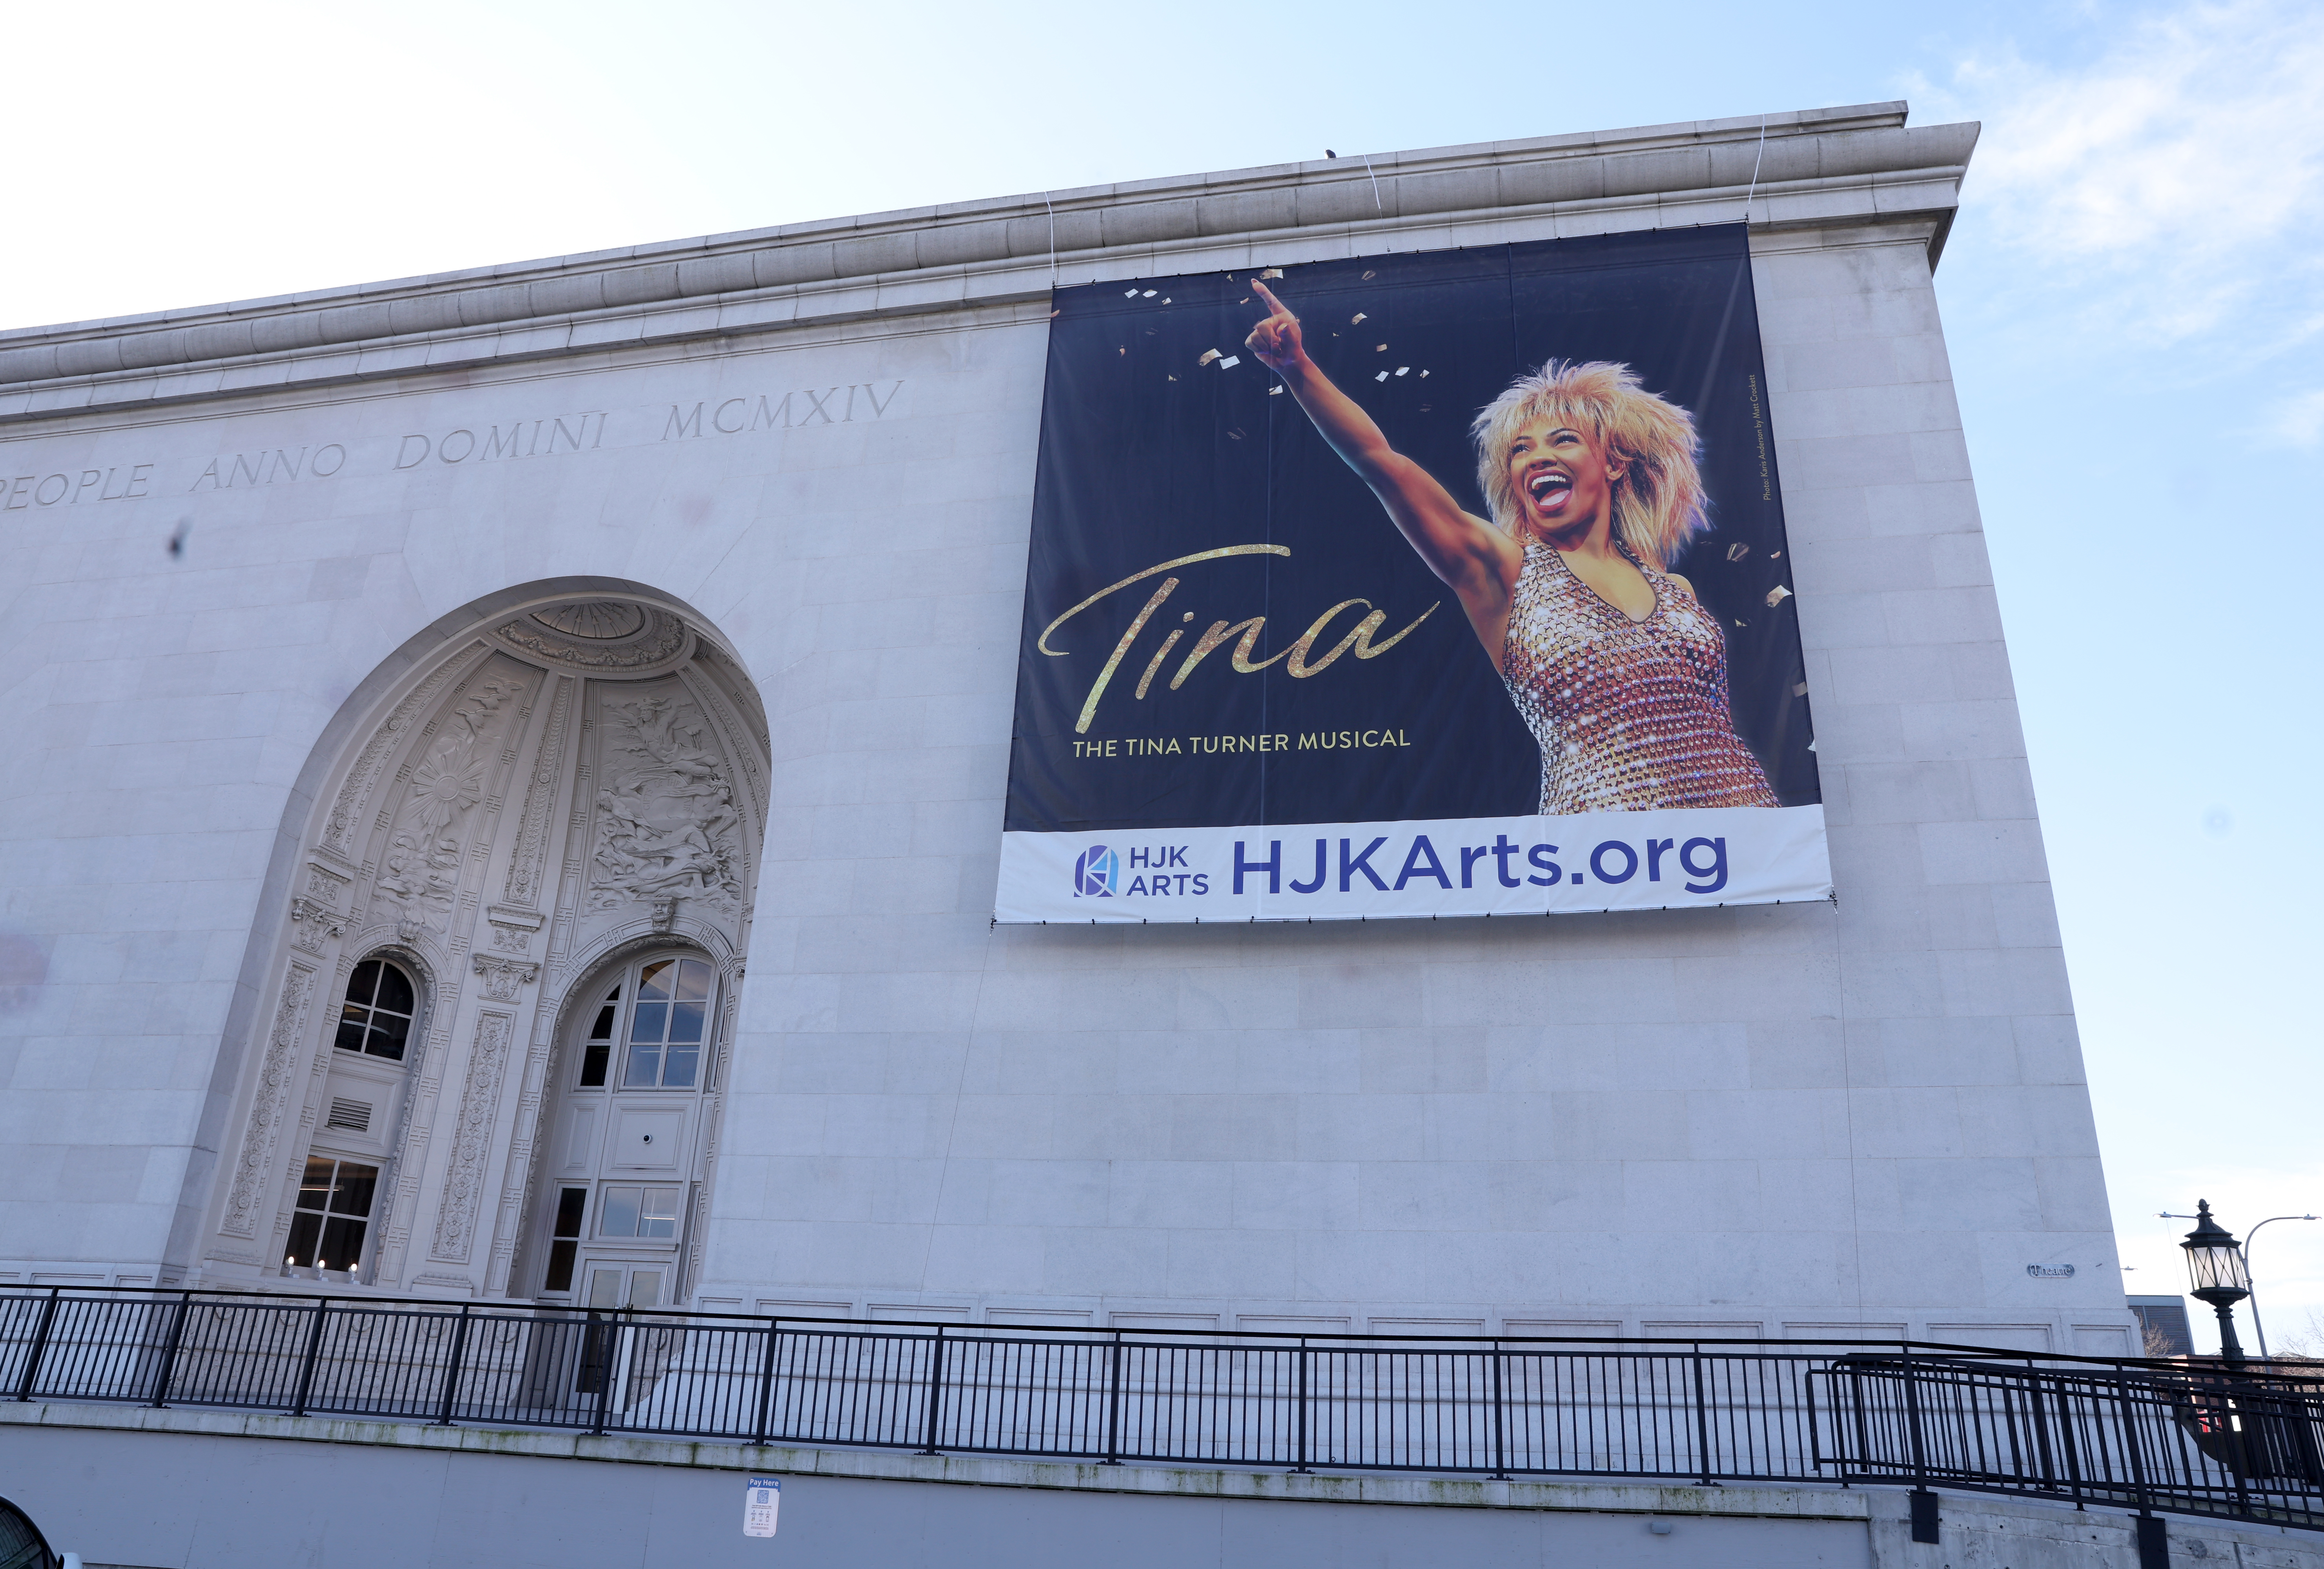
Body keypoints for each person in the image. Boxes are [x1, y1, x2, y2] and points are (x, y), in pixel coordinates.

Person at [1244, 280, 1779, 815]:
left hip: (1744, 828)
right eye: (1521, 450)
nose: (1537, 457)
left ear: (1615, 465)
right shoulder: (1504, 571)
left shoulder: (1675, 588)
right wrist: (1298, 369)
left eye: (1563, 440)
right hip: (1602, 844)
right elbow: (1381, 464)